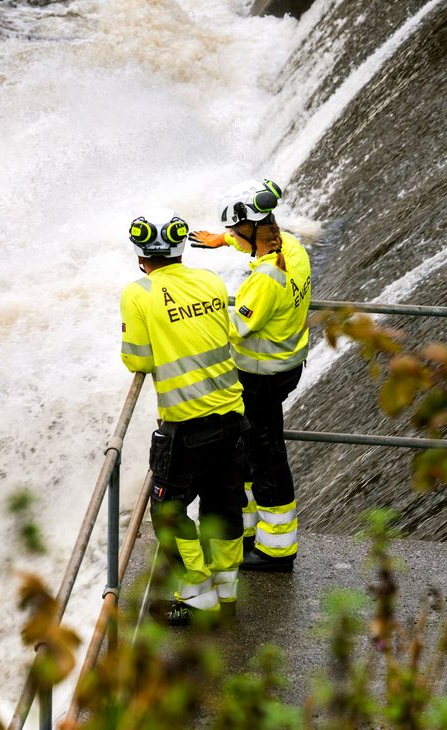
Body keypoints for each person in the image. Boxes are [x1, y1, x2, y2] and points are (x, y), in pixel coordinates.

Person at [120, 208, 248, 625]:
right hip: (232, 414)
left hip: (186, 424)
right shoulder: (211, 281)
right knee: (224, 503)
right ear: (179, 252)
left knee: (168, 512)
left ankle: (196, 596)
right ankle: (226, 591)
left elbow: (137, 360)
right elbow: (227, 333)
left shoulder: (137, 292)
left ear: (142, 256)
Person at [189, 179, 310, 572]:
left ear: (252, 231)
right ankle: (243, 528)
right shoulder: (291, 247)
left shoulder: (264, 281)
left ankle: (277, 549)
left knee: (266, 457)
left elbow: (233, 329)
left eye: (234, 232)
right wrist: (221, 241)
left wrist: (193, 315)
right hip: (287, 366)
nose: (231, 238)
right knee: (248, 449)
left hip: (261, 378)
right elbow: (253, 240)